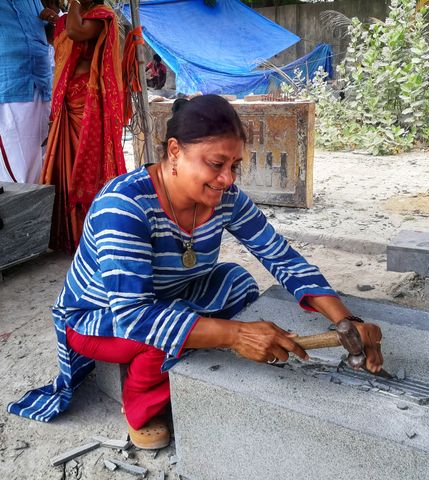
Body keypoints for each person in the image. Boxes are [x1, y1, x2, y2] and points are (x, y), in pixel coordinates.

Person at [8, 95, 383, 450]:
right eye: (216, 164)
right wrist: (235, 335)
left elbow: (281, 257)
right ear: (175, 152)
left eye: (234, 165)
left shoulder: (226, 198)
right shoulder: (124, 206)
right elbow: (135, 315)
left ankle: (187, 341)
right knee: (173, 324)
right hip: (101, 316)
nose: (228, 178)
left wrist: (346, 321)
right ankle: (140, 402)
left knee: (236, 281)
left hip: (170, 295)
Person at [39, 0, 126, 253]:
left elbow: (75, 32)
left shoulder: (103, 15)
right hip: (70, 99)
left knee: (84, 164)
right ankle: (67, 232)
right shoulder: (81, 15)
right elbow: (62, 37)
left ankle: (91, 231)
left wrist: (72, 6)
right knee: (65, 163)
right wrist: (58, 19)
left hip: (88, 103)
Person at [0, 0, 52, 184]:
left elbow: (49, 32)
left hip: (42, 84)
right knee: (21, 174)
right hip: (11, 88)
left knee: (48, 161)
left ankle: (46, 211)